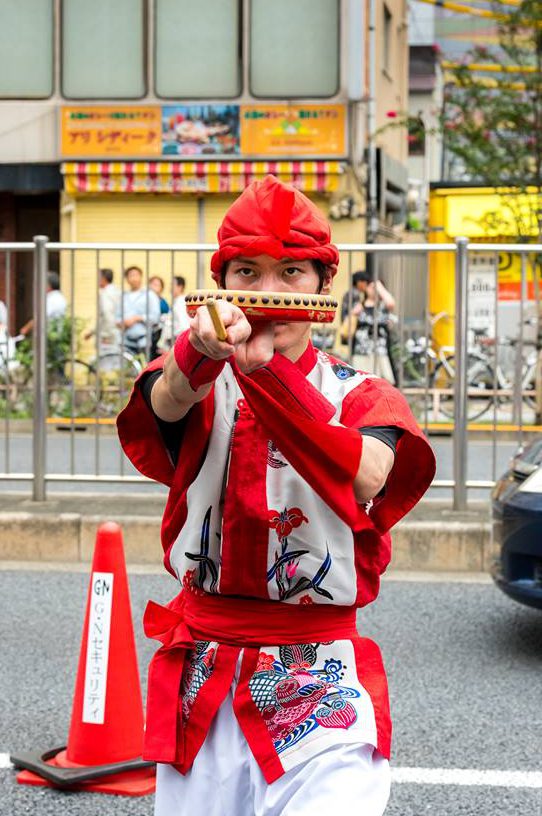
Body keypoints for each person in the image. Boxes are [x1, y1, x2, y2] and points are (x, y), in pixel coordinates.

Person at [117, 176, 435, 816]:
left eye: (293, 272)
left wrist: (269, 374)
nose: (269, 292)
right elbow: (165, 398)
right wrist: (203, 352)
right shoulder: (198, 377)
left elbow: (371, 472)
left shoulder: (362, 393)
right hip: (204, 673)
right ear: (223, 282)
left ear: (323, 286)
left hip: (317, 679)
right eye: (248, 272)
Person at [345, 269, 397, 384]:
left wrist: (378, 285)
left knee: (382, 382)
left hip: (379, 350)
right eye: (370, 287)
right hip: (361, 350)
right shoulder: (359, 304)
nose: (373, 290)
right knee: (360, 382)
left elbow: (391, 303)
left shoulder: (382, 306)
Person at [116, 265, 161, 358]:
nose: (134, 278)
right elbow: (116, 317)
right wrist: (122, 322)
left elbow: (156, 318)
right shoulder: (123, 297)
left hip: (143, 342)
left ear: (141, 277)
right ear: (127, 279)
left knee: (145, 370)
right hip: (125, 343)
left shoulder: (150, 295)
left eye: (136, 275)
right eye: (131, 275)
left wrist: (138, 318)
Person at [19, 271, 67, 336]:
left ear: (49, 286)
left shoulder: (51, 299)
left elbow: (40, 317)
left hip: (49, 338)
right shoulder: (60, 297)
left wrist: (25, 329)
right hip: (57, 336)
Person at [84, 268, 120, 349]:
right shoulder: (117, 291)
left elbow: (107, 314)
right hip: (116, 333)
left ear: (103, 279)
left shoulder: (105, 294)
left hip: (107, 336)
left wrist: (108, 335)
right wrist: (92, 332)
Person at [149, 276, 171, 359]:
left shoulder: (162, 302)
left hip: (159, 333)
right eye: (152, 284)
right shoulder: (145, 300)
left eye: (157, 285)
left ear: (161, 288)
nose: (154, 287)